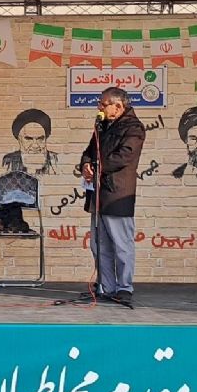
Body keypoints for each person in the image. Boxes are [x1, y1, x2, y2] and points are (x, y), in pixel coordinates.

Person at [79, 87, 145, 307]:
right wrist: (86, 165)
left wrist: (98, 166)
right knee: (99, 244)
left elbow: (125, 155)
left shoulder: (134, 128)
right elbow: (89, 151)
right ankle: (106, 287)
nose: (99, 107)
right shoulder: (102, 126)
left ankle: (124, 288)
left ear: (118, 106)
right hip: (98, 194)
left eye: (103, 104)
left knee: (121, 244)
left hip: (118, 194)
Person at [2, 109, 60, 175]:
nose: (35, 145)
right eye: (28, 139)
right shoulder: (8, 162)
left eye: (40, 139)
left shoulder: (56, 161)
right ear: (19, 140)